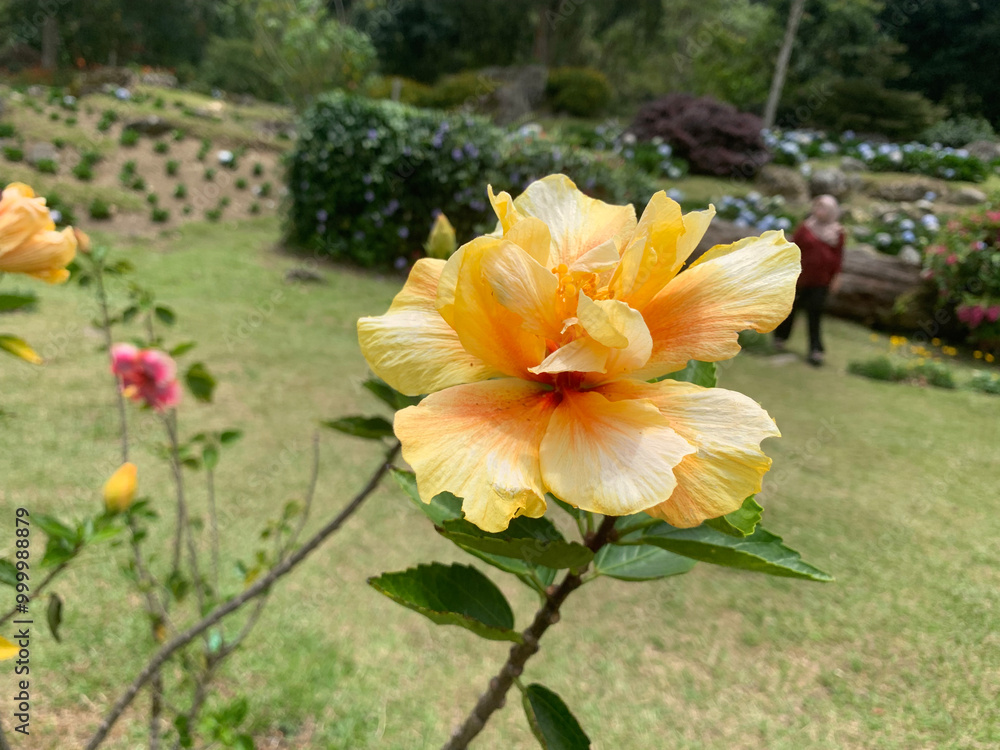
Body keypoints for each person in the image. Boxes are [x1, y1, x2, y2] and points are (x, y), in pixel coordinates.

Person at [774, 194, 845, 366]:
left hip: (821, 281)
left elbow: (838, 257)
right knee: (790, 308)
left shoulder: (837, 232)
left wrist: (836, 277)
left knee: (815, 313)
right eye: (817, 206)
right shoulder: (806, 227)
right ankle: (779, 338)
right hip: (799, 277)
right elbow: (792, 246)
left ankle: (816, 350)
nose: (819, 211)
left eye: (824, 208)